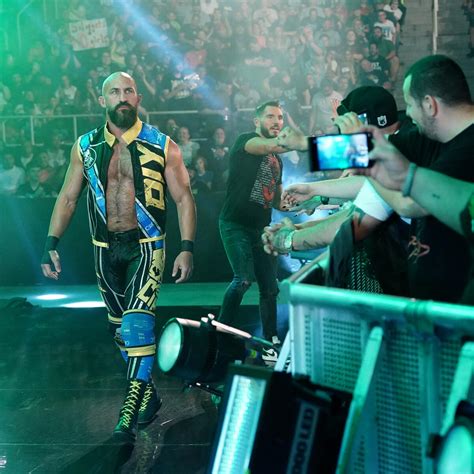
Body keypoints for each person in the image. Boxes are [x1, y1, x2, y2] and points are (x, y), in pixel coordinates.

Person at [40, 72, 196, 443]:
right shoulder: (85, 146)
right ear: (102, 99)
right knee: (117, 329)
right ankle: (149, 394)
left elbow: (184, 198)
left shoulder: (163, 145)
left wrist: (187, 247)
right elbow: (67, 197)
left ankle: (128, 410)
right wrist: (50, 242)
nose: (122, 97)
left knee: (137, 326)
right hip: (104, 249)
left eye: (128, 91)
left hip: (147, 247)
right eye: (114, 91)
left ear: (138, 98)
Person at [268, 55, 474, 303]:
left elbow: (408, 201)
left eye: (409, 104)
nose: (407, 113)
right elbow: (378, 155)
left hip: (456, 303)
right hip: (428, 299)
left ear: (430, 105)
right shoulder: (426, 139)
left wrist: (293, 235)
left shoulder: (467, 150)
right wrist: (305, 145)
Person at [358, 125, 474, 304]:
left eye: (410, 103)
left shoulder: (464, 147)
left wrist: (406, 178)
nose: (409, 113)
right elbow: (465, 205)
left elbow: (408, 205)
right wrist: (407, 177)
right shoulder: (433, 141)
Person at [218, 100, 293, 365]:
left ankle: (271, 342)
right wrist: (297, 141)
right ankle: (220, 334)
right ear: (256, 120)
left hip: (261, 228)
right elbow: (268, 145)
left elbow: (277, 201)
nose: (276, 121)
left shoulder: (278, 160)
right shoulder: (246, 141)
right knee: (243, 279)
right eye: (271, 116)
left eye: (280, 117)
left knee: (270, 289)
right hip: (235, 224)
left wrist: (300, 204)